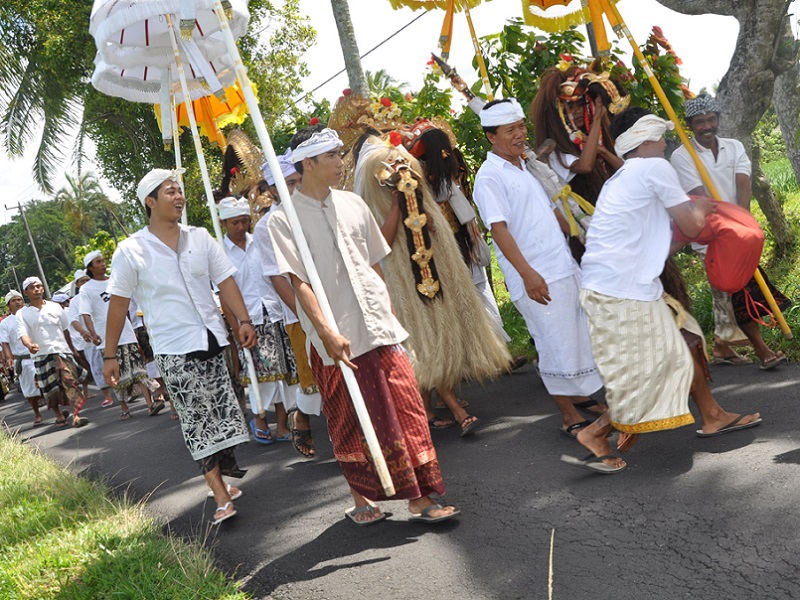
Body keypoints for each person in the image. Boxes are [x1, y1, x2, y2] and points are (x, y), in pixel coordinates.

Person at [268, 127, 460, 525]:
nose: (342, 162)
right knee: (351, 418)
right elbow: (298, 281)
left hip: (380, 327)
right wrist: (324, 331)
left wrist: (387, 309)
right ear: (308, 164)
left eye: (340, 154)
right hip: (336, 337)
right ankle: (361, 499)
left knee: (406, 411)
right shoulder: (283, 220)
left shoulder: (354, 203)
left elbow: (375, 262)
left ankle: (421, 498)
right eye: (333, 156)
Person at [570, 108, 762, 474]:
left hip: (620, 287)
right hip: (622, 291)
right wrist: (703, 209)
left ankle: (713, 415)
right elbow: (690, 227)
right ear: (644, 141)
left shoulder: (621, 178)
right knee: (659, 365)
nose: (664, 145)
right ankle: (597, 433)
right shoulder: (653, 168)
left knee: (687, 336)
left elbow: (664, 243)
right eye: (660, 138)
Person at [103, 168, 255, 526]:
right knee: (195, 420)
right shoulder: (131, 251)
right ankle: (219, 495)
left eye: (179, 191)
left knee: (225, 415)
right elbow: (118, 305)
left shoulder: (200, 238)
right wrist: (110, 354)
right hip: (173, 349)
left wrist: (244, 320)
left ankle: (222, 480)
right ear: (150, 202)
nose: (178, 197)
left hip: (213, 339)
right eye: (170, 191)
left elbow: (226, 281)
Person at [354, 135, 511, 435]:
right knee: (424, 340)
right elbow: (381, 245)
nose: (399, 173)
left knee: (442, 332)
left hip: (434, 272)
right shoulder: (370, 209)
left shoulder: (418, 196)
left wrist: (418, 207)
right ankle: (455, 408)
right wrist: (397, 207)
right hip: (402, 280)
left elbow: (435, 226)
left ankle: (425, 411)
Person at [472, 98, 604, 439]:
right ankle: (568, 415)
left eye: (521, 127)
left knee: (576, 338)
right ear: (491, 136)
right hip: (534, 275)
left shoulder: (526, 166)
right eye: (510, 130)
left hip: (562, 266)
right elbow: (498, 230)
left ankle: (582, 397)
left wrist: (579, 234)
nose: (520, 135)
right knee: (552, 344)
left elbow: (551, 212)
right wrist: (528, 274)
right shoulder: (489, 177)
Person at [671, 94, 789, 370]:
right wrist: (729, 231)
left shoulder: (734, 147)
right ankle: (763, 351)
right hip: (710, 235)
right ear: (690, 125)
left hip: (740, 231)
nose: (707, 126)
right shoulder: (682, 156)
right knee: (736, 290)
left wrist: (741, 224)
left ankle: (723, 347)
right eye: (699, 122)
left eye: (711, 119)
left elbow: (743, 183)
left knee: (724, 292)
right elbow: (700, 198)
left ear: (719, 119)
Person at [217, 196, 299, 444]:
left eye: (245, 221)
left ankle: (283, 425)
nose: (241, 227)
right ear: (224, 223)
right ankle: (260, 419)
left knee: (284, 374)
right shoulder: (219, 253)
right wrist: (235, 327)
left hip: (276, 315)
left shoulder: (261, 243)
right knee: (259, 376)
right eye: (235, 223)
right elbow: (224, 296)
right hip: (248, 322)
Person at [255, 159, 321, 459]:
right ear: (272, 190)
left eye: (297, 180)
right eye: (288, 184)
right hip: (298, 315)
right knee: (312, 377)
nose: (295, 188)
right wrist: (306, 315)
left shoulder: (314, 207)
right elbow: (277, 278)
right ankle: (302, 418)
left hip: (333, 303)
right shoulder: (266, 226)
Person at [79, 249, 162, 420]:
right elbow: (86, 314)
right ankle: (124, 408)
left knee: (138, 369)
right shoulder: (86, 289)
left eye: (103, 261)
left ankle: (150, 404)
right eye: (98, 262)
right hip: (106, 339)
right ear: (90, 268)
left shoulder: (116, 282)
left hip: (127, 334)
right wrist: (93, 333)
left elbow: (125, 308)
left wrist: (131, 329)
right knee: (118, 375)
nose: (102, 264)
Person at [17, 277, 89, 428]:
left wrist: (72, 349)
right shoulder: (22, 313)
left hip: (61, 351)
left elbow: (65, 329)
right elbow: (23, 334)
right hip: (41, 354)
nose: (36, 289)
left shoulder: (55, 307)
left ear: (43, 288)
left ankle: (76, 416)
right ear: (26, 292)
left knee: (70, 381)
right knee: (50, 388)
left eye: (39, 286)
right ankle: (58, 415)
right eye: (32, 287)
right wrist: (30, 345)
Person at [0, 289, 55, 427]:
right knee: (30, 392)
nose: (18, 302)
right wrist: (9, 359)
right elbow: (5, 343)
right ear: (8, 305)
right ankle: (37, 414)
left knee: (48, 385)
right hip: (23, 360)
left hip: (39, 355)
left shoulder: (31, 314)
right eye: (14, 301)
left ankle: (58, 414)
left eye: (19, 299)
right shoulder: (5, 324)